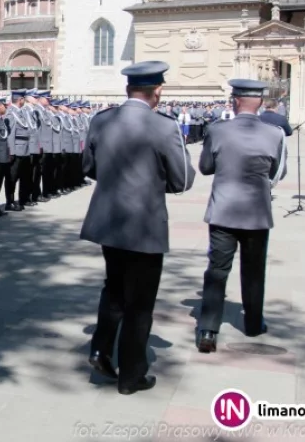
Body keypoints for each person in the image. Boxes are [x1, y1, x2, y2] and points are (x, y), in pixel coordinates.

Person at [81, 61, 195, 395]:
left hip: (108, 220)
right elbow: (184, 178)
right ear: (157, 91)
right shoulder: (164, 126)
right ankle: (131, 376)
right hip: (144, 224)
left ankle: (101, 348)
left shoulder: (102, 119)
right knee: (140, 303)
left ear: (128, 88)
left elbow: (88, 166)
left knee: (114, 289)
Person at [196, 79, 287, 354]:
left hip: (223, 210)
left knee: (217, 270)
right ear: (260, 102)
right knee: (254, 270)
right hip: (256, 211)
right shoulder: (275, 133)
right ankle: (253, 322)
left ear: (235, 101)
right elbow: (278, 173)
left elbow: (205, 167)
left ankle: (208, 329)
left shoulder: (217, 130)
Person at [5, 91, 30, 211]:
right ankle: (9, 202)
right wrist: (11, 152)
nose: (24, 100)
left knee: (22, 177)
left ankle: (20, 199)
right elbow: (10, 134)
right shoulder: (11, 113)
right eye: (23, 98)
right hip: (16, 150)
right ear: (20, 99)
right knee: (12, 178)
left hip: (24, 150)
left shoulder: (21, 113)